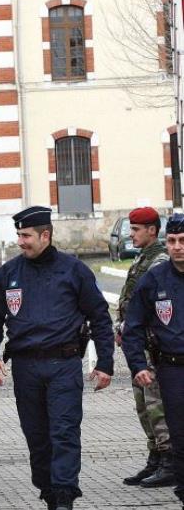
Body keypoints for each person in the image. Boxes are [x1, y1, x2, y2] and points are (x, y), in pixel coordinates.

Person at [0, 206, 114, 510]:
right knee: (38, 439)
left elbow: (100, 317)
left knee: (64, 432)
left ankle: (64, 496)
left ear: (45, 235)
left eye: (26, 235)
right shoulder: (8, 274)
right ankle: (49, 490)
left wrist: (105, 362)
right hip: (26, 368)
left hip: (63, 366)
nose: (20, 241)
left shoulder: (74, 270)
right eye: (18, 235)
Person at [122, 213, 184, 510]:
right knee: (169, 426)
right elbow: (133, 322)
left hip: (169, 360)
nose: (177, 247)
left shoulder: (155, 264)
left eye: (182, 241)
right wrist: (138, 364)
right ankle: (170, 470)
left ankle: (173, 468)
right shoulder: (154, 275)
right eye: (172, 241)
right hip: (168, 364)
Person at [116, 207, 173, 487]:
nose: (131, 234)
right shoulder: (143, 259)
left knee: (155, 405)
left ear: (152, 230)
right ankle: (155, 457)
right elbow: (129, 299)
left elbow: (155, 305)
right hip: (138, 343)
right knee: (143, 405)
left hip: (152, 345)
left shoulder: (160, 260)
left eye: (136, 229)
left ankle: (169, 460)